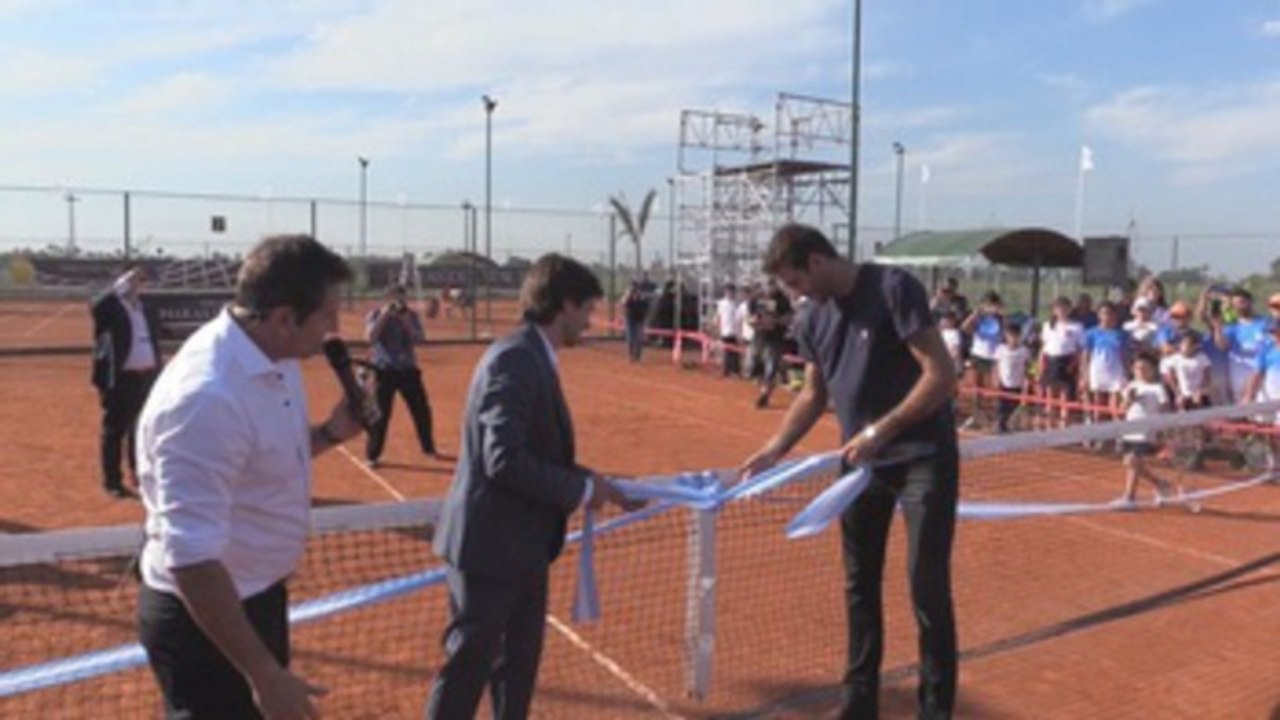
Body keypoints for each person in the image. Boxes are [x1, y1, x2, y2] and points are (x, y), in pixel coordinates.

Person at [135, 235, 366, 719]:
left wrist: (331, 432)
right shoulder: (206, 398)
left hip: (253, 597)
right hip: (206, 621)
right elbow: (192, 559)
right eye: (326, 314)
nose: (334, 328)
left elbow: (264, 458)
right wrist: (263, 674)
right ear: (284, 317)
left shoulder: (272, 356)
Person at [741, 224, 959, 719]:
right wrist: (774, 450)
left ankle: (935, 710)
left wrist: (883, 430)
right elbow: (813, 393)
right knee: (858, 586)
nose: (795, 294)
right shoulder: (813, 318)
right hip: (860, 467)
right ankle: (859, 703)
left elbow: (941, 374)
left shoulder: (893, 289)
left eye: (796, 282)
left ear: (817, 262)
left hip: (922, 459)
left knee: (927, 588)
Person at [427, 254, 642, 719]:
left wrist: (596, 483)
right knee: (468, 671)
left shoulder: (531, 357)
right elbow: (502, 459)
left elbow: (536, 455)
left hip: (523, 549)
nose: (589, 321)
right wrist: (583, 492)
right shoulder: (516, 359)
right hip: (489, 551)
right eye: (586, 310)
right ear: (565, 305)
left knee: (517, 673)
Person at [91, 265, 163, 499]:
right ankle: (112, 481)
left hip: (146, 377)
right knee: (115, 431)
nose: (135, 285)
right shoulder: (111, 308)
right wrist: (119, 285)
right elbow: (97, 305)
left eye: (139, 281)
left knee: (142, 429)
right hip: (120, 379)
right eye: (131, 281)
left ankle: (139, 475)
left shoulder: (146, 309)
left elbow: (153, 340)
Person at [364, 284, 438, 468]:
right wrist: (384, 315)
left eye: (402, 297)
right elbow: (370, 338)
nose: (399, 302)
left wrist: (405, 323)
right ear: (387, 298)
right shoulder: (375, 314)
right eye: (395, 298)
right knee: (381, 414)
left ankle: (428, 447)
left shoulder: (411, 316)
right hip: (384, 370)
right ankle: (373, 454)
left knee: (421, 410)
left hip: (408, 370)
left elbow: (419, 339)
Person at [1114, 353, 1198, 512]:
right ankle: (1160, 484)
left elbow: (1165, 409)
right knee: (1129, 462)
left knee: (1132, 460)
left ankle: (1129, 498)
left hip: (1146, 431)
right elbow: (1122, 409)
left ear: (1153, 370)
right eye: (1138, 368)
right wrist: (1129, 400)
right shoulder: (1131, 386)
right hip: (1129, 430)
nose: (1141, 371)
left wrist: (1163, 431)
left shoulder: (1158, 388)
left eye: (1145, 368)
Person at [1211, 287, 1271, 403]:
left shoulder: (1266, 323)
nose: (1239, 306)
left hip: (1264, 375)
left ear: (1250, 302)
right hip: (1240, 375)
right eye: (1235, 304)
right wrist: (1217, 327)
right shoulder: (1231, 328)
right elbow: (1222, 346)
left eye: (1242, 302)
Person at [1038, 297, 1085, 429]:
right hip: (1050, 361)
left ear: (1070, 309)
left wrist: (1075, 365)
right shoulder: (1047, 325)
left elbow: (1080, 349)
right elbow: (1043, 348)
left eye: (1065, 307)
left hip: (1067, 361)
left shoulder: (1077, 326)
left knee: (1065, 395)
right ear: (1054, 310)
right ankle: (1049, 426)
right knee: (1049, 394)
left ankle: (1063, 426)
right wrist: (1040, 366)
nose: (1062, 311)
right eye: (1058, 308)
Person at [747, 278, 794, 408]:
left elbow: (790, 318)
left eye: (772, 284)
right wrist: (755, 322)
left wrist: (775, 321)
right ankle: (763, 385)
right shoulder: (755, 299)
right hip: (759, 335)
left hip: (776, 337)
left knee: (771, 365)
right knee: (752, 365)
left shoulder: (782, 300)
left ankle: (765, 394)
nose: (769, 288)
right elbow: (750, 317)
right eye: (767, 284)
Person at [1080, 301, 1130, 424]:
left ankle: (1115, 429)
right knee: (1097, 400)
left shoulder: (1122, 334)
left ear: (1114, 315)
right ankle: (1097, 427)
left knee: (1114, 401)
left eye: (1109, 313)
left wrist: (1127, 372)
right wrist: (1084, 375)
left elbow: (1125, 355)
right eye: (1103, 313)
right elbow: (1086, 355)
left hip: (1116, 369)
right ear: (1099, 315)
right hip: (1097, 368)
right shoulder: (1091, 333)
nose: (1106, 316)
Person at [960, 291, 1004, 429]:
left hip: (994, 357)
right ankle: (976, 415)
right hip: (978, 355)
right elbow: (964, 328)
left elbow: (1006, 332)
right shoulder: (979, 319)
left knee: (994, 387)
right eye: (988, 304)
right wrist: (975, 314)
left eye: (993, 304)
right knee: (976, 387)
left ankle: (996, 416)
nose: (991, 307)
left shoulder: (1000, 319)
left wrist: (1001, 314)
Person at [993, 323, 1031, 434]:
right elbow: (996, 365)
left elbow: (1030, 366)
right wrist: (996, 379)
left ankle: (1007, 423)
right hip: (1003, 383)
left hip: (1017, 383)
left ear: (1019, 336)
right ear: (1006, 336)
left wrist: (1029, 378)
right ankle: (1001, 425)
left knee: (1013, 405)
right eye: (1010, 335)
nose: (1013, 339)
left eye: (1015, 336)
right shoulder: (1001, 349)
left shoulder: (1024, 351)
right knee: (1002, 406)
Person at [1165, 330, 1212, 411]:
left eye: (1191, 344)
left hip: (1200, 395)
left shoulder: (1202, 358)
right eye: (1185, 344)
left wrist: (1200, 391)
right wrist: (1178, 394)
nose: (1187, 347)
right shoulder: (1174, 359)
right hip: (1184, 396)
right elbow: (1171, 378)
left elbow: (1207, 377)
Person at [714, 283, 744, 377]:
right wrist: (718, 329)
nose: (730, 293)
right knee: (726, 351)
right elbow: (718, 317)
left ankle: (736, 371)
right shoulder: (721, 303)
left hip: (735, 331)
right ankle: (726, 370)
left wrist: (739, 332)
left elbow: (739, 319)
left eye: (732, 291)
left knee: (735, 352)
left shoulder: (737, 304)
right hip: (725, 331)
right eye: (728, 291)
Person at [620, 280, 651, 363]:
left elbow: (646, 307)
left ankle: (638, 356)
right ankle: (631, 356)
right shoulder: (628, 296)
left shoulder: (642, 296)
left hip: (640, 319)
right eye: (632, 288)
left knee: (639, 338)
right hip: (630, 319)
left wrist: (641, 298)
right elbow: (623, 303)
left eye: (635, 288)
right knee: (630, 337)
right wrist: (628, 295)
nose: (634, 290)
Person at [938, 311, 964, 379]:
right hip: (943, 365)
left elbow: (955, 352)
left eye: (947, 320)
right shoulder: (940, 332)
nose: (943, 321)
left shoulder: (954, 333)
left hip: (951, 366)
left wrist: (945, 362)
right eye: (943, 319)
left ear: (953, 321)